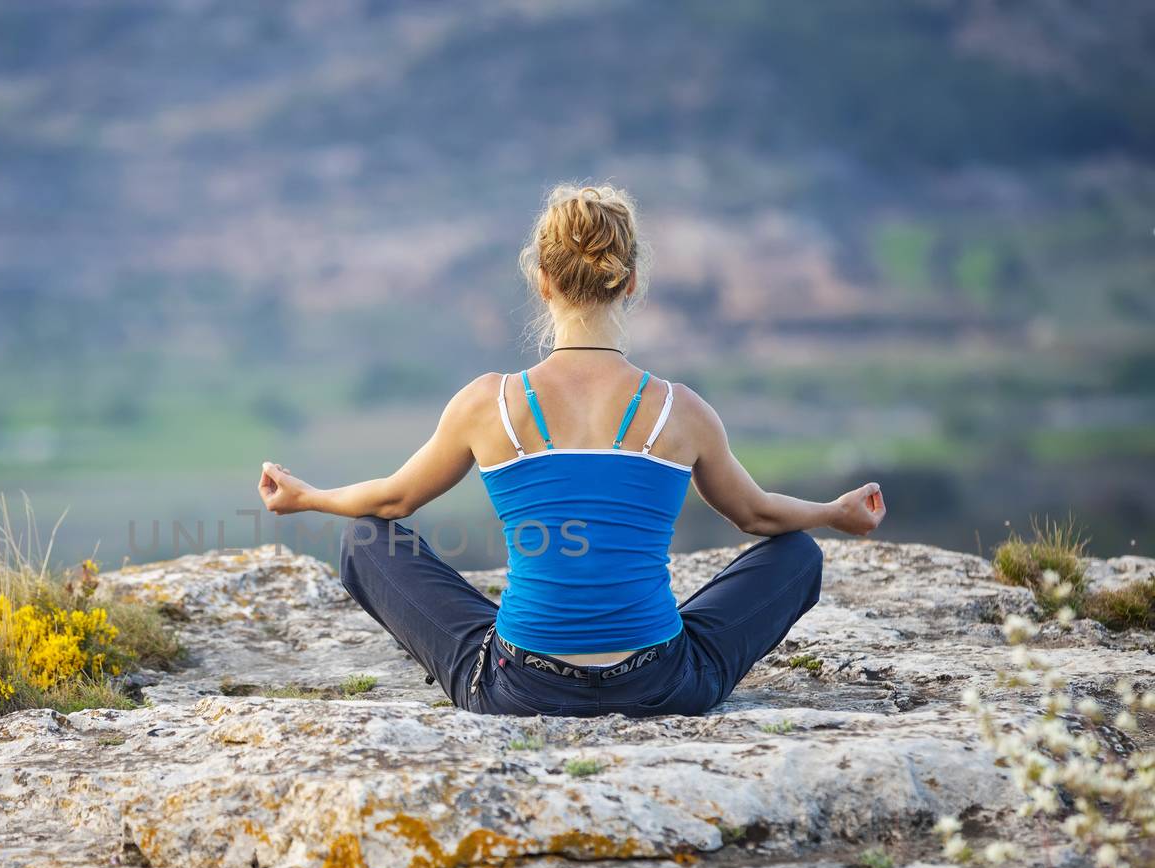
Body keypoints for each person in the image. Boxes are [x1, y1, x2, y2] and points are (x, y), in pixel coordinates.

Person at [256, 183, 886, 718]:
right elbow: (760, 518)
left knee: (365, 540)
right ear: (632, 280)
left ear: (544, 281)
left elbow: (392, 500)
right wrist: (834, 512)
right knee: (797, 555)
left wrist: (309, 497)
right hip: (660, 685)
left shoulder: (489, 403)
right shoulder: (682, 411)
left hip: (520, 687)